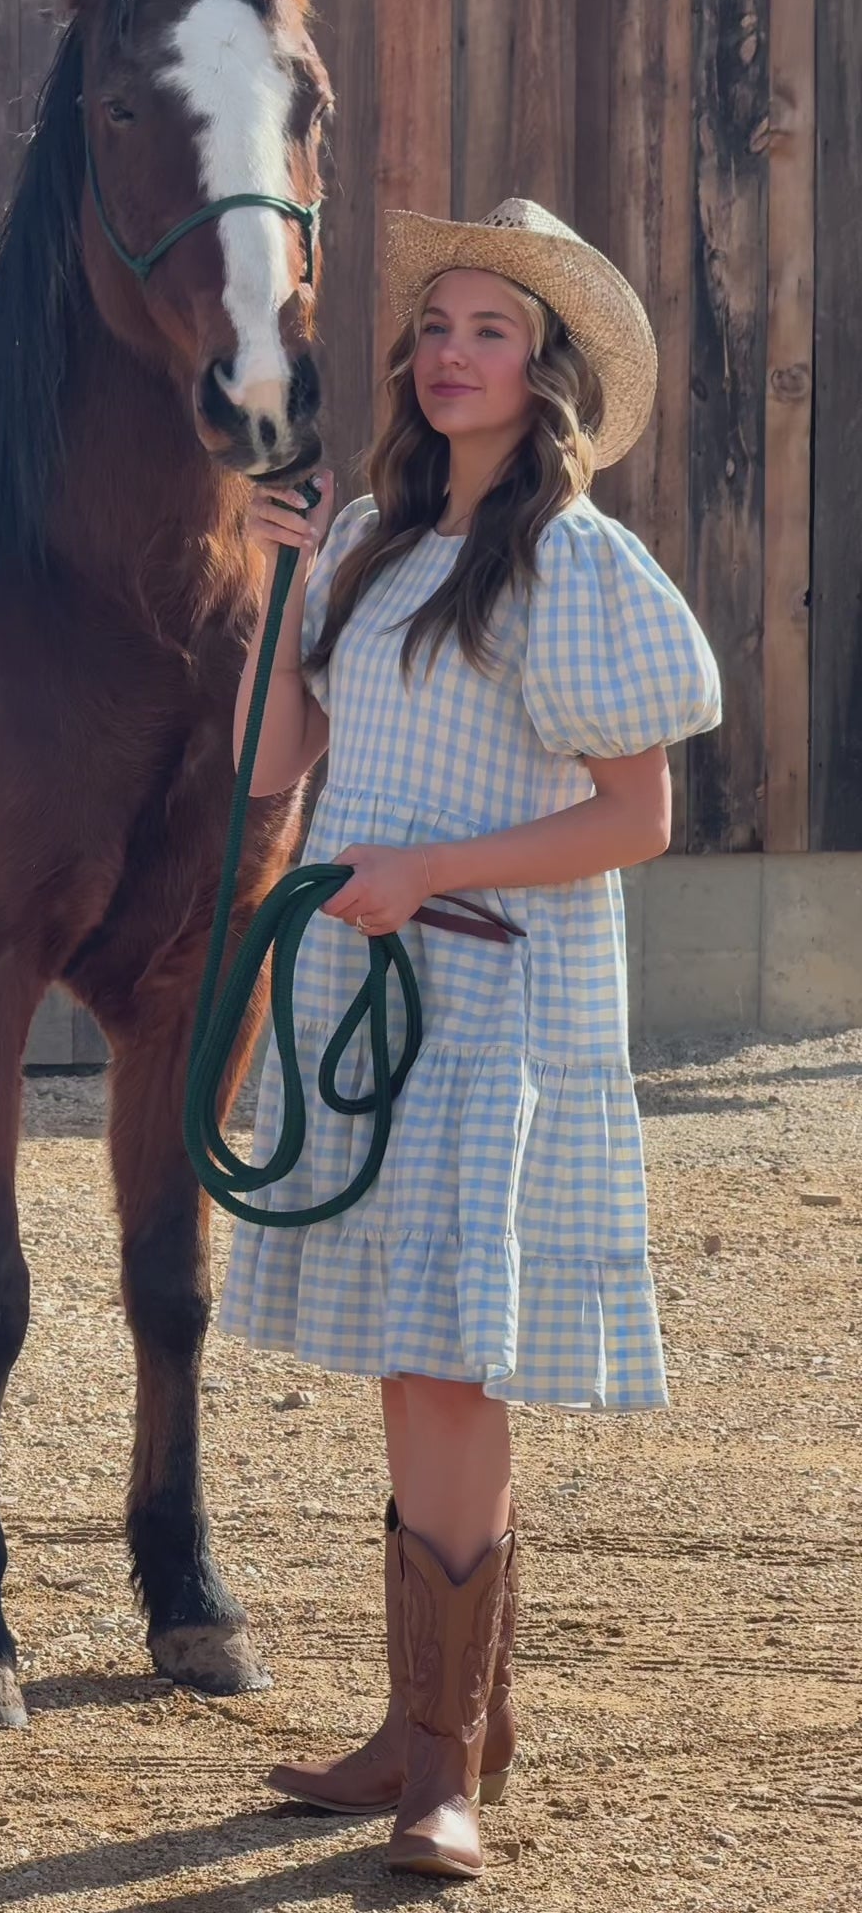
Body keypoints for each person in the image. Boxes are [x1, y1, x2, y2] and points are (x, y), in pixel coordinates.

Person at [219, 198, 722, 1881]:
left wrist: (432, 865)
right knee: (406, 1357)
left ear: (547, 367)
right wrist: (283, 572)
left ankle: (446, 1766)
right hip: (361, 993)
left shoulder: (576, 557)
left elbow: (637, 817)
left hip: (494, 994)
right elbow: (276, 759)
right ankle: (434, 1728)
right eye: (434, 326)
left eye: (489, 331)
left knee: (447, 1357)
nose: (450, 355)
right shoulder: (366, 534)